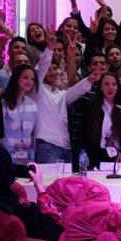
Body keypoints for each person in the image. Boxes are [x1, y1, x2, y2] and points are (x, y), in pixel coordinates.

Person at [34, 33, 101, 164]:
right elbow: (40, 69)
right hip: (47, 145)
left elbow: (75, 92)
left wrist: (90, 79)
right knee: (49, 179)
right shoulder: (37, 90)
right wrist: (50, 48)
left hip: (65, 146)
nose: (51, 72)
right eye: (48, 69)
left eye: (54, 68)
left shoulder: (60, 94)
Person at [84, 73, 121, 169]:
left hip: (119, 155)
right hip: (97, 155)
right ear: (100, 87)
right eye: (106, 84)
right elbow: (84, 134)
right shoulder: (92, 106)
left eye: (114, 84)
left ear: (118, 87)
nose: (110, 87)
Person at [0, 65, 38, 164]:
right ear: (16, 78)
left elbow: (32, 133)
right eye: (25, 77)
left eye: (32, 79)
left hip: (26, 157)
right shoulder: (4, 103)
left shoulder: (32, 104)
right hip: (6, 155)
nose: (29, 81)